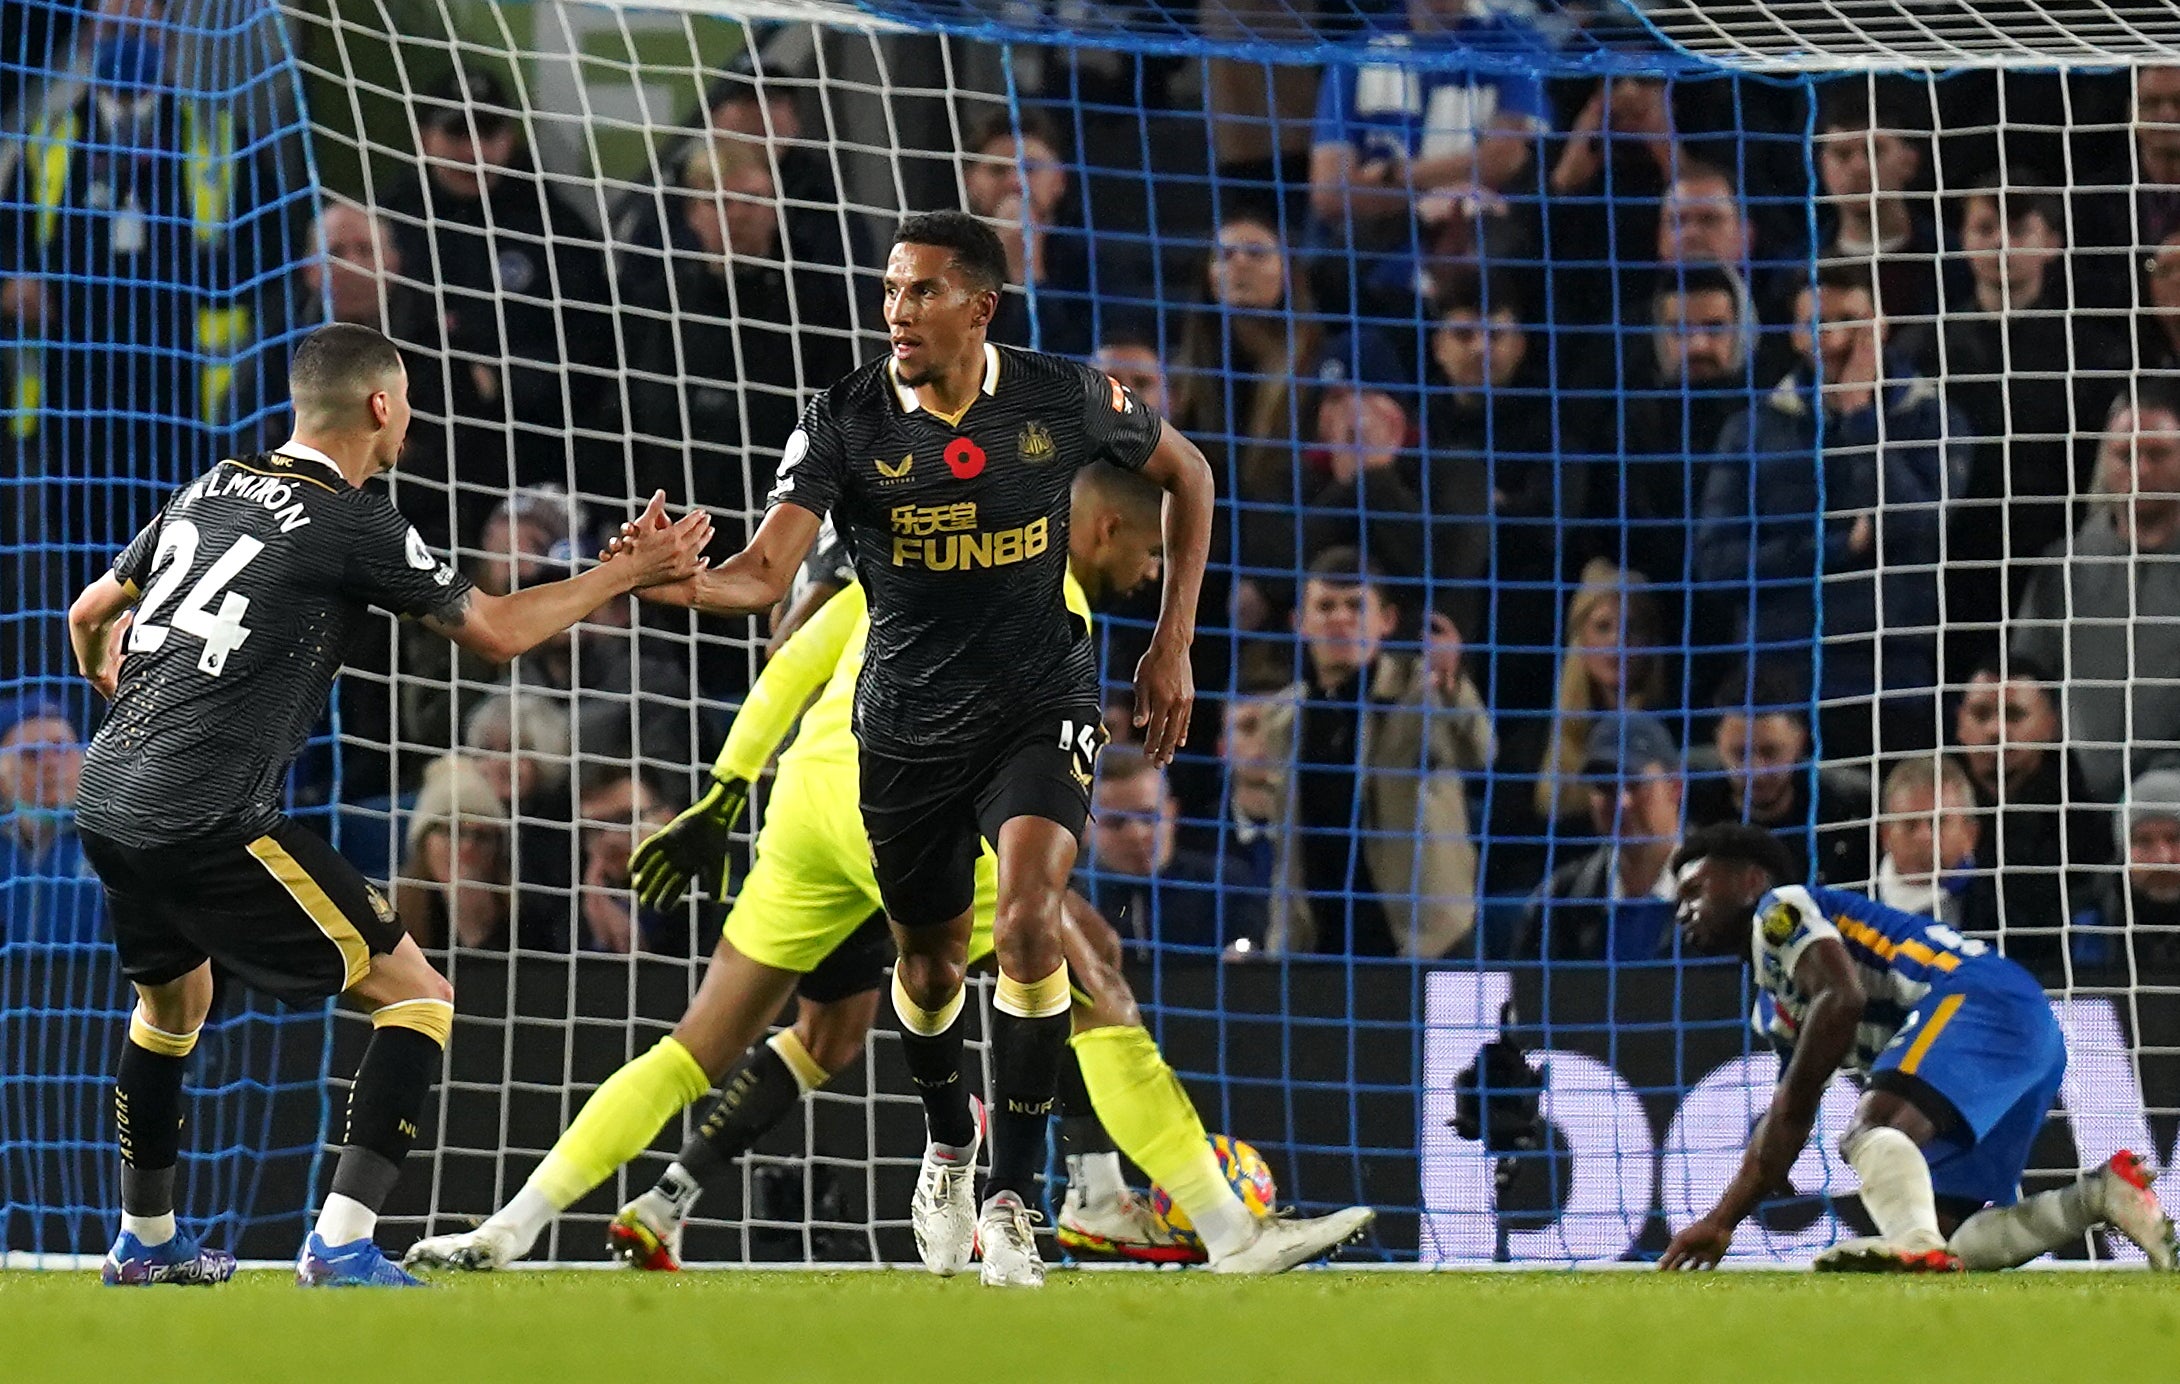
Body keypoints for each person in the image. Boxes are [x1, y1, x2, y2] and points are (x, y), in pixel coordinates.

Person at [403, 461, 1367, 1278]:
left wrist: (724, 792)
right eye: (1148, 554)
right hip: (898, 813)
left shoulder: (907, 556)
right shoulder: (1052, 597)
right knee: (1088, 980)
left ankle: (512, 1225)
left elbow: (791, 666)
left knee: (698, 1044)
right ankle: (1219, 1225)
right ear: (1102, 526)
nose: (1150, 572)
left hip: (802, 811)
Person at [592, 210, 1216, 1287]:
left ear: (979, 306)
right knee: (925, 971)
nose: (896, 310)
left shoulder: (1059, 396)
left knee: (1031, 920)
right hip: (903, 731)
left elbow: (1189, 475)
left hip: (1035, 706)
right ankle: (948, 1146)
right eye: (888, 290)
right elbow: (756, 577)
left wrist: (1171, 648)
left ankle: (1016, 1204)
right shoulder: (841, 419)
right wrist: (664, 577)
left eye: (921, 290)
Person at [60, 322, 709, 1288]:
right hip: (209, 810)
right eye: (404, 403)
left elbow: (85, 613)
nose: (407, 419)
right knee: (418, 995)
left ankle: (144, 1243)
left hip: (108, 793)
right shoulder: (356, 516)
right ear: (378, 408)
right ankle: (341, 1244)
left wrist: (120, 690)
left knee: (172, 1004)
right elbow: (491, 631)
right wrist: (626, 573)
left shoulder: (208, 486)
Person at [1660, 823, 2175, 1274]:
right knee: (1957, 1237)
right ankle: (2100, 1195)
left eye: (1695, 889)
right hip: (2029, 1030)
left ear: (1751, 880)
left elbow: (1841, 999)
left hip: (1976, 998)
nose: (1683, 911)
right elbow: (1790, 1115)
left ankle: (1912, 1246)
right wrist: (1721, 1221)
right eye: (1678, 901)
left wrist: (1786, 1132)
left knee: (1872, 1129)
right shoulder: (1772, 1009)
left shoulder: (1782, 909)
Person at [1696, 262, 1967, 763]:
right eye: (1819, 324)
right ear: (1797, 336)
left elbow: (1920, 521)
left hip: (1891, 681)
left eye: (1851, 321)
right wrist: (1840, 546)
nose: (1836, 338)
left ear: (1882, 326)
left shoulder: (1933, 418)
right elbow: (1716, 564)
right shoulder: (1751, 430)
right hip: (1779, 687)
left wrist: (1859, 416)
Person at [1940, 174, 2130, 674]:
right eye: (1984, 227)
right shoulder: (1926, 350)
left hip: (2057, 565)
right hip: (1954, 569)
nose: (2000, 241)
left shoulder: (2097, 355)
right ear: (1962, 239)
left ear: (2054, 244)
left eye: (2019, 228)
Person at [1262, 548, 1490, 959]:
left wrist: (1454, 684)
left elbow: (1480, 753)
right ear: (1300, 623)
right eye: (1326, 606)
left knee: (1462, 1027)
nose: (1340, 617)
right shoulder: (1283, 718)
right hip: (1324, 944)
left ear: (1387, 620)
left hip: (1435, 940)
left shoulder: (1421, 690)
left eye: (1355, 605)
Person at [2014, 381, 2180, 804]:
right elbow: (2030, 683)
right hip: (2076, 804)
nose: (2139, 470)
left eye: (2157, 454)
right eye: (2125, 455)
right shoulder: (2061, 568)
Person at [1952, 657, 2111, 972]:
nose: (1996, 730)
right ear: (1959, 723)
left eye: (2014, 715)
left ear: (2052, 725)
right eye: (1981, 714)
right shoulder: (1929, 810)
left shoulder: (2086, 826)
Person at [1517, 712, 1685, 962]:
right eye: (1606, 787)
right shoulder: (1555, 902)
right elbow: (1524, 996)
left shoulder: (1720, 897)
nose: (1622, 803)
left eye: (1634, 783)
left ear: (1675, 787)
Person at [1685, 666, 1871, 888]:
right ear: (1718, 744)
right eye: (1739, 753)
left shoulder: (1848, 813)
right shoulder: (1688, 809)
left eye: (1770, 752)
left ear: (1799, 742)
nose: (1755, 770)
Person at [1083, 744, 1257, 951]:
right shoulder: (1068, 901)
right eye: (1115, 823)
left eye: (1149, 817)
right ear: (1084, 827)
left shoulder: (1228, 888)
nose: (1137, 834)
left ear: (1172, 812)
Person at [0, 696, 99, 944]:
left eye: (61, 749)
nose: (52, 764)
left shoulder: (117, 838)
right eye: (32, 754)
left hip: (92, 981)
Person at [1870, 757, 1994, 938]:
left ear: (1970, 834)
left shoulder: (2001, 909)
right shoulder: (1849, 910)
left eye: (1938, 822)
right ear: (1885, 836)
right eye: (1910, 825)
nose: (1924, 836)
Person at [2075, 769, 2180, 976]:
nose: (2163, 858)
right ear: (2123, 851)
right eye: (2143, 841)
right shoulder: (2087, 921)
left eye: (2175, 839)